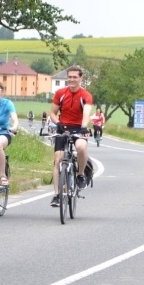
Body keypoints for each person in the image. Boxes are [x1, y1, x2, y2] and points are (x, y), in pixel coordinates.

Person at [49, 65, 92, 207]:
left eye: (75, 77)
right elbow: (53, 113)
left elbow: (86, 113)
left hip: (79, 128)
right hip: (63, 127)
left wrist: (84, 127)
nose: (72, 79)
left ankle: (80, 174)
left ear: (80, 78)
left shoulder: (85, 95)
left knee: (81, 147)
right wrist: (58, 123)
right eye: (69, 77)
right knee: (58, 159)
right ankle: (57, 195)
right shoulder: (60, 93)